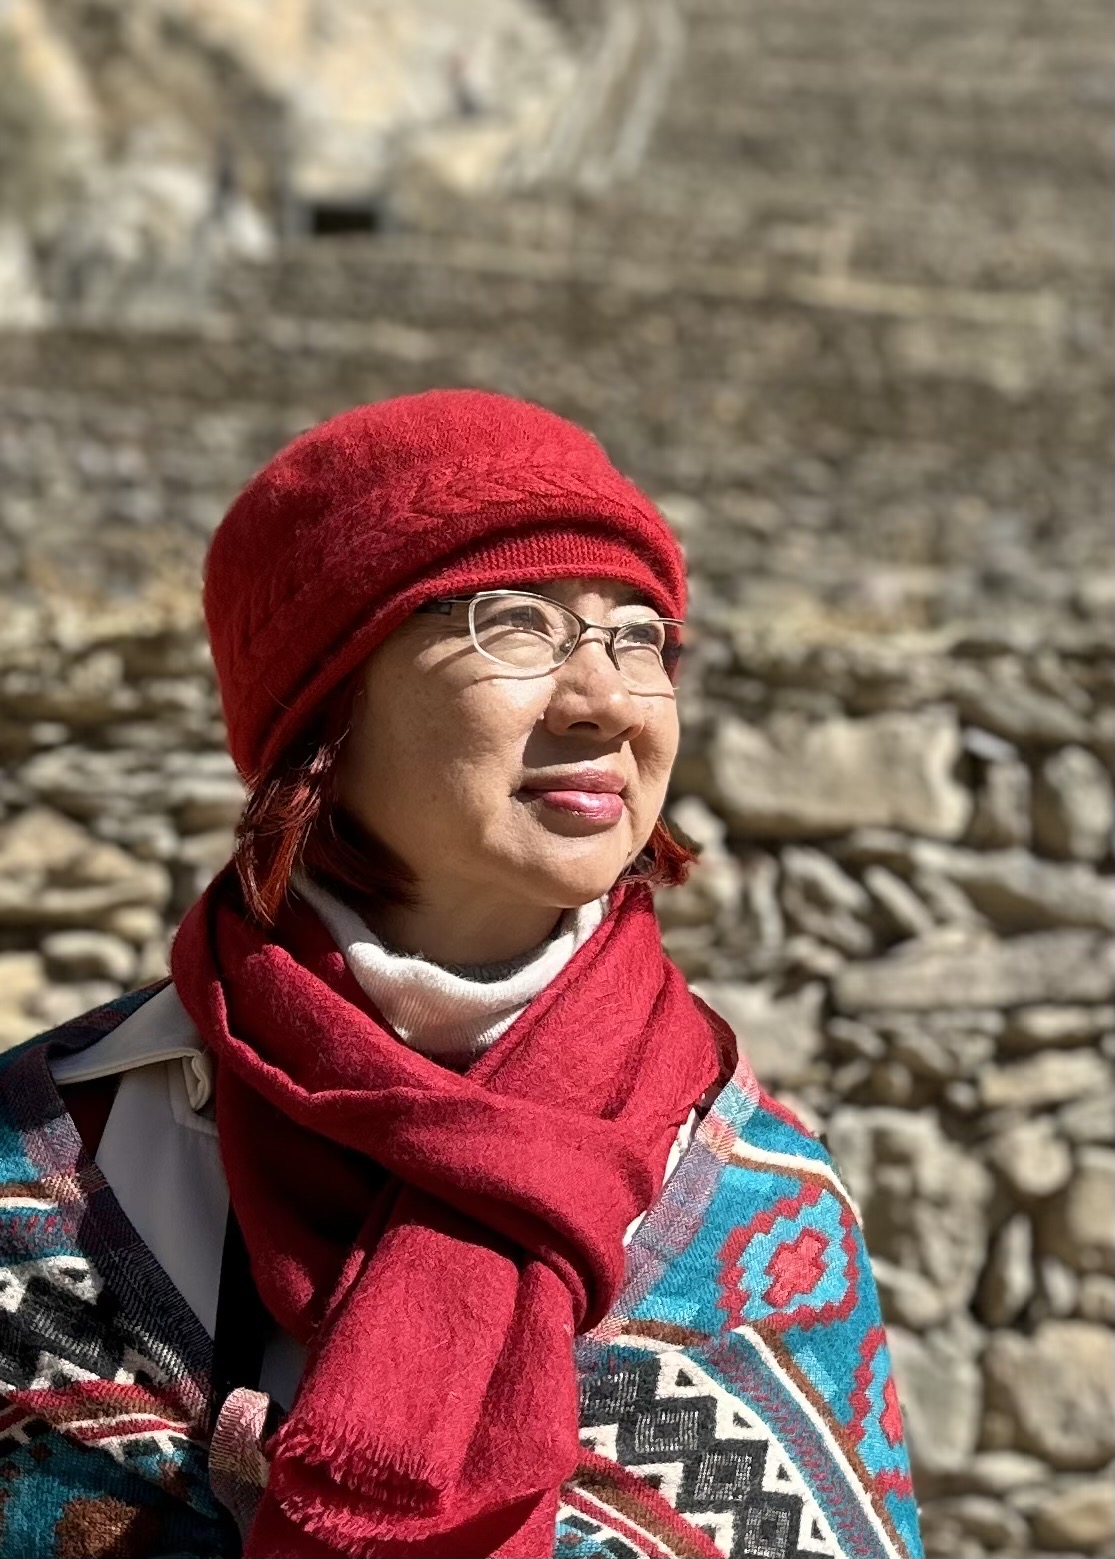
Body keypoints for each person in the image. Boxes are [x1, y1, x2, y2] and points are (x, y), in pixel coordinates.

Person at [0, 390, 923, 1559]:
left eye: (637, 633)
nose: (604, 699)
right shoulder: (45, 1162)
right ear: (325, 698)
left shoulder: (760, 1212)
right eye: (515, 622)